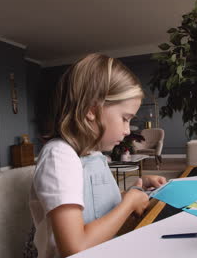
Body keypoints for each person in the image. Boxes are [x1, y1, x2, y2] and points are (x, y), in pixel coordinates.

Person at [29, 53, 167, 258]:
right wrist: (128, 204)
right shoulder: (59, 158)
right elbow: (75, 248)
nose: (128, 130)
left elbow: (95, 205)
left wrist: (135, 190)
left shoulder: (93, 155)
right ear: (91, 110)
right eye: (125, 119)